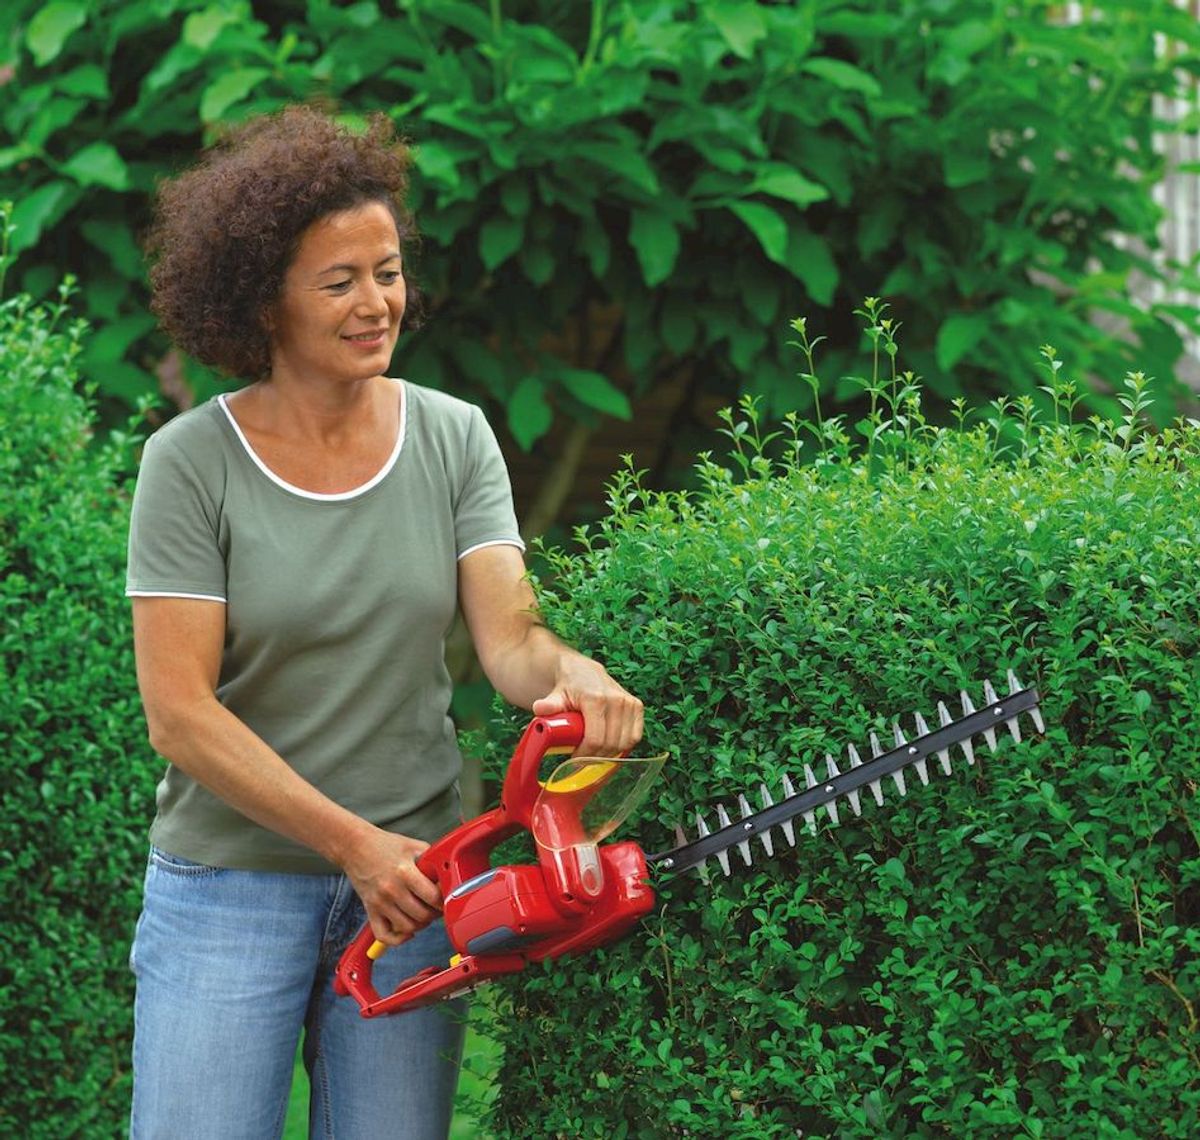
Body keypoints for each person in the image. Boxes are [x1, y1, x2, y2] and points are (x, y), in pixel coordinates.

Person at [125, 105, 643, 1140]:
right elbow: (179, 715)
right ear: (263, 302)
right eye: (341, 281)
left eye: (389, 270)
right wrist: (353, 847)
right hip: (233, 889)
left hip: (418, 882)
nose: (379, 303)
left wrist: (570, 671)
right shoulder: (191, 465)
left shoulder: (453, 437)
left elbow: (510, 639)